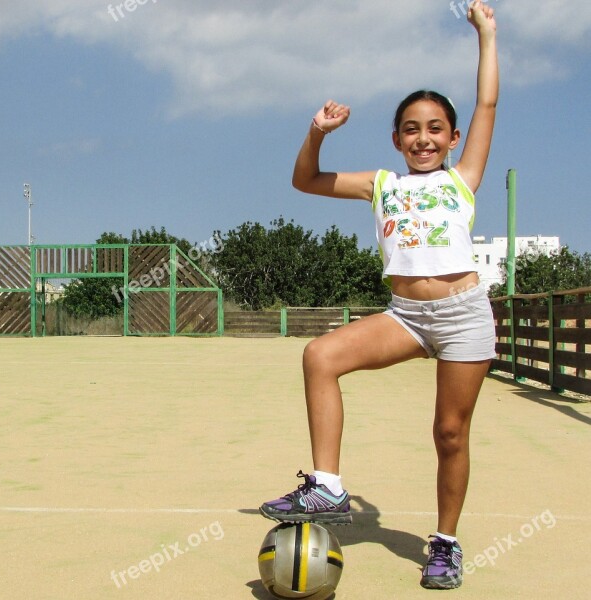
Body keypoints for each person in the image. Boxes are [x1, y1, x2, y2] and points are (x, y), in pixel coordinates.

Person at [258, 1, 498, 591]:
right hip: (407, 316)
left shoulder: (462, 178)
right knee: (320, 356)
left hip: (464, 316)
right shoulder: (381, 184)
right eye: (412, 129)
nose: (423, 138)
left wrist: (486, 35)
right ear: (396, 139)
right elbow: (305, 181)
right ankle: (328, 487)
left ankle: (444, 545)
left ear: (453, 137)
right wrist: (317, 131)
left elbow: (487, 101)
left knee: (449, 433)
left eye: (435, 128)